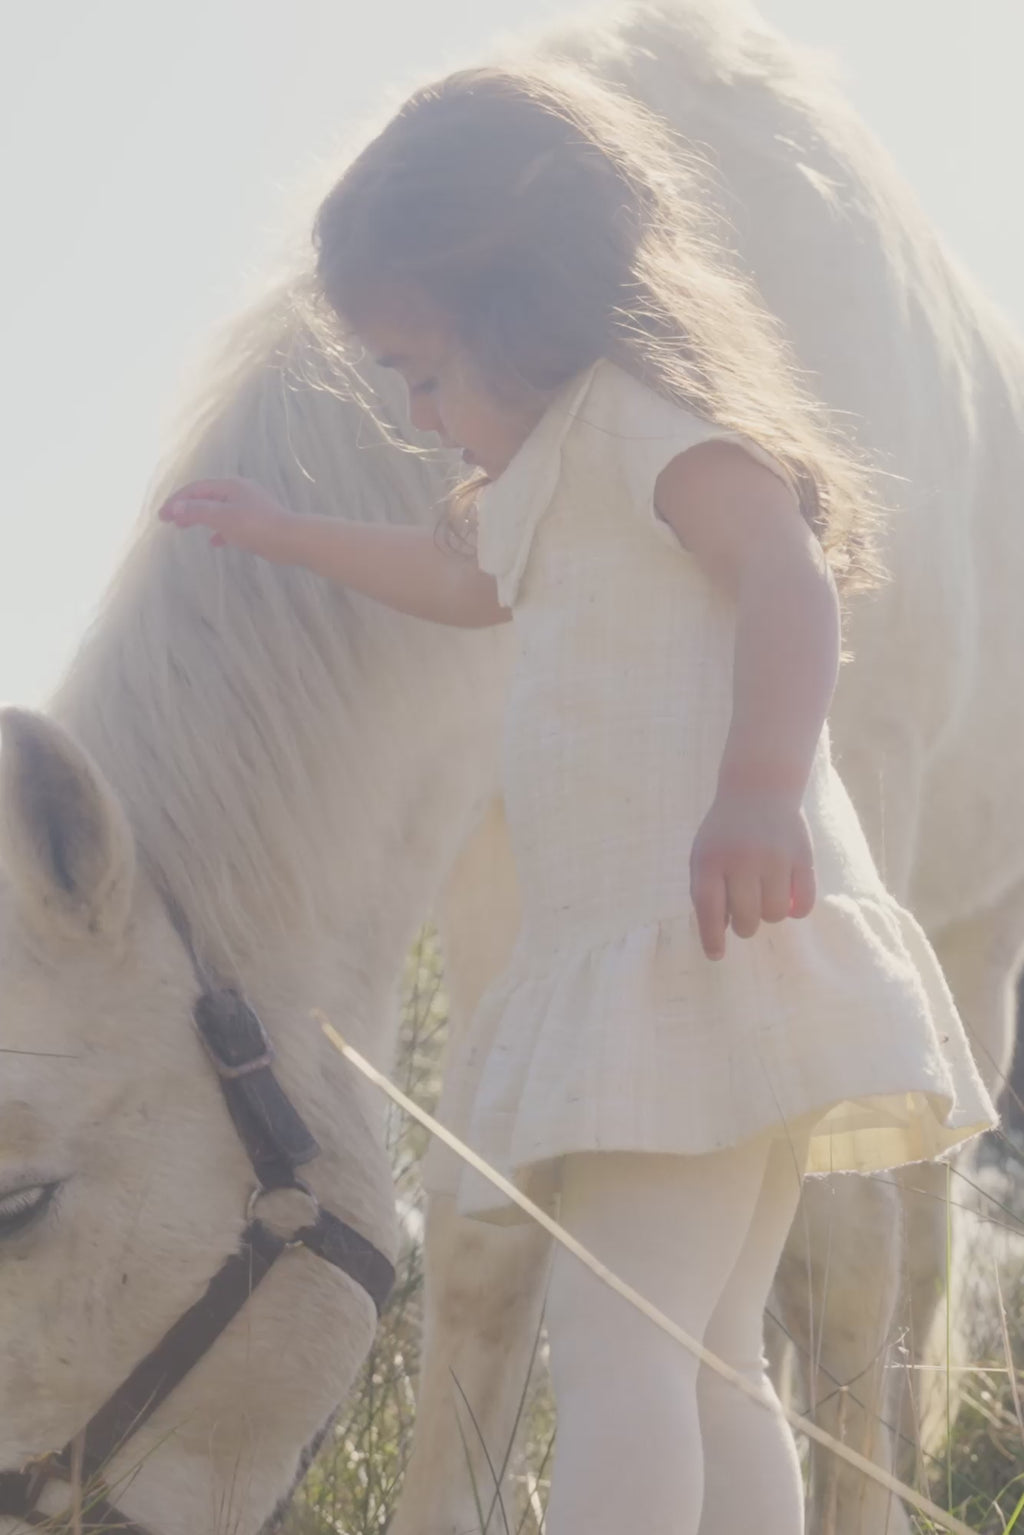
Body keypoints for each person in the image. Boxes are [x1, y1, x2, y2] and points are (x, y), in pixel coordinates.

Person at [159, 64, 996, 1535]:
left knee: (618, 1346)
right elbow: (456, 581)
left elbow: (787, 573)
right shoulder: (555, 473)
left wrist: (758, 790)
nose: (418, 414)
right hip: (672, 959)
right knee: (708, 1354)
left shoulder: (636, 421)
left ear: (522, 300)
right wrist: (287, 534)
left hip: (691, 955)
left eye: (424, 371)